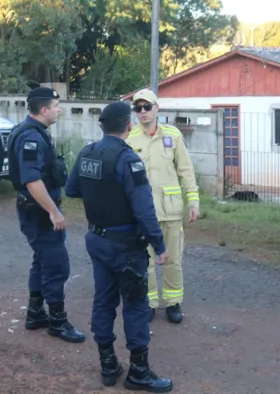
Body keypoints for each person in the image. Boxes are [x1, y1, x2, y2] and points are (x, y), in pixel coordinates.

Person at [66, 101, 173, 392]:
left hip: (97, 239)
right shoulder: (128, 159)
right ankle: (139, 372)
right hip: (125, 246)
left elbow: (72, 189)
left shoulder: (88, 152)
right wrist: (160, 244)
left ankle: (108, 365)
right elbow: (144, 209)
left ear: (102, 126)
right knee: (136, 306)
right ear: (129, 125)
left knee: (104, 300)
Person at [7, 86, 85, 344]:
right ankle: (58, 322)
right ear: (44, 109)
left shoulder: (37, 133)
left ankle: (35, 313)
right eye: (56, 105)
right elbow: (32, 180)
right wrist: (53, 212)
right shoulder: (31, 137)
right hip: (39, 211)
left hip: (38, 209)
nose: (59, 109)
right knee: (55, 264)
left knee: (42, 261)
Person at [125, 89, 200, 324]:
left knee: (173, 259)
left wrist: (193, 199)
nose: (143, 112)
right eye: (138, 108)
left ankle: (173, 302)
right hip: (142, 214)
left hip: (170, 210)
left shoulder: (173, 135)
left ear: (157, 108)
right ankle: (149, 303)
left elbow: (185, 170)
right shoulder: (130, 138)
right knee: (144, 262)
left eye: (147, 106)